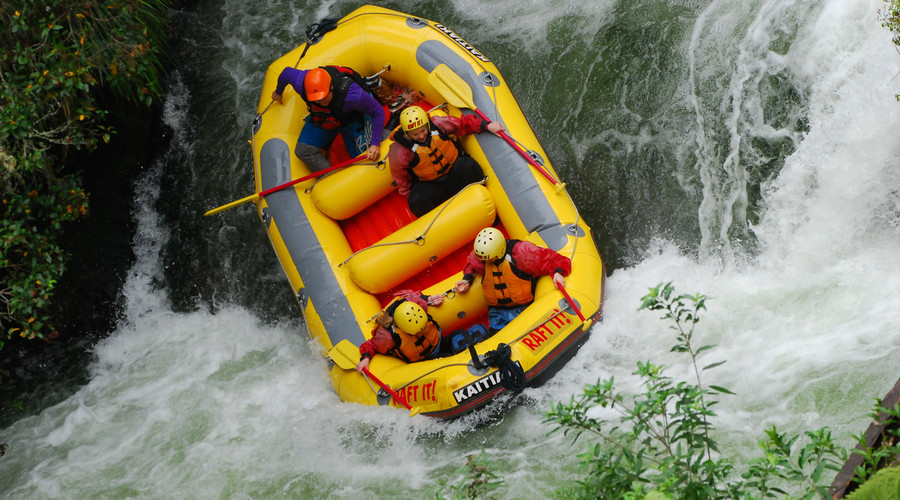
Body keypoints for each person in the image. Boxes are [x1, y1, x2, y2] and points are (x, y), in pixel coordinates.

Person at [388, 105, 506, 217]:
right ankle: (447, 221)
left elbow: (462, 123)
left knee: (470, 166)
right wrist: (410, 194)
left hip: (454, 171)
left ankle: (485, 208)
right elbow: (401, 178)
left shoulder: (438, 124)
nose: (421, 136)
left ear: (427, 125)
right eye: (415, 134)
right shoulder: (399, 151)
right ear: (407, 133)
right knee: (415, 201)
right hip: (431, 185)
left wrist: (486, 125)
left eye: (423, 131)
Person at [454, 227, 571, 332]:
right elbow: (471, 264)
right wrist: (467, 279)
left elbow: (555, 259)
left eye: (490, 259)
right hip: (497, 313)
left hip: (523, 309)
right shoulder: (482, 256)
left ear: (499, 251)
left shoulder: (523, 252)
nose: (486, 262)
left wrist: (557, 272)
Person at [271, 65, 385, 172]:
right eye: (316, 100)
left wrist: (375, 144)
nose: (321, 102)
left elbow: (378, 111)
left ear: (331, 87)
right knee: (302, 151)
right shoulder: (301, 84)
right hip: (327, 117)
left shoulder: (353, 95)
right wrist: (278, 92)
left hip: (352, 116)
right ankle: (332, 178)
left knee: (364, 160)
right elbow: (286, 73)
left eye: (323, 97)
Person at [356, 290, 446, 373]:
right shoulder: (387, 336)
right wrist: (365, 358)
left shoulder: (417, 304)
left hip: (439, 341)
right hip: (422, 361)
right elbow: (371, 345)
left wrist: (429, 299)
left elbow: (417, 295)